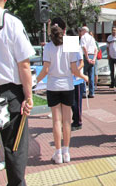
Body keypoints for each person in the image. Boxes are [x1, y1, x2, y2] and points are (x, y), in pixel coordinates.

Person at [0, 0, 35, 186]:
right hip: (9, 96)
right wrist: (28, 97)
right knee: (14, 152)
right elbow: (24, 65)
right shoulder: (11, 23)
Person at [36, 24, 88, 164]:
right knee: (67, 121)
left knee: (56, 121)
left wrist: (35, 80)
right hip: (68, 85)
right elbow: (74, 70)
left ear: (51, 35)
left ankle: (58, 153)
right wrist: (84, 77)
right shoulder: (70, 44)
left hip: (53, 86)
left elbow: (45, 70)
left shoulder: (47, 47)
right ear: (63, 32)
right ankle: (66, 152)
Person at [66, 28, 85, 131]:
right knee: (71, 102)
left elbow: (82, 63)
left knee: (76, 102)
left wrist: (75, 71)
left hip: (77, 79)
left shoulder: (78, 48)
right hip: (69, 79)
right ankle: (75, 119)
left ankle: (78, 122)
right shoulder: (68, 48)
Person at [80, 26, 97, 98]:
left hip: (86, 56)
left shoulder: (83, 37)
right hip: (92, 56)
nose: (80, 32)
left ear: (84, 31)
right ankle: (91, 92)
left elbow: (84, 48)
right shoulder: (92, 38)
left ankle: (84, 92)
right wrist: (94, 59)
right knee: (91, 75)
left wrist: (87, 58)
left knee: (83, 74)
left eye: (81, 31)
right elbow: (96, 49)